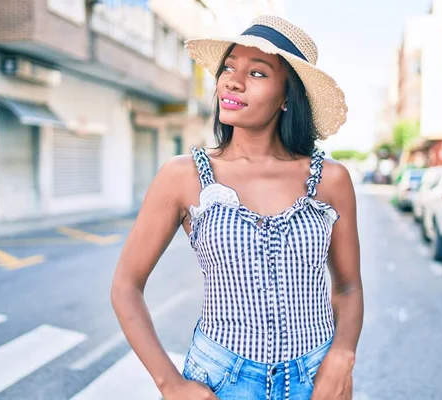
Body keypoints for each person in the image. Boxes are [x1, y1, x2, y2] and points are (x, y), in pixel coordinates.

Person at [111, 15, 363, 400]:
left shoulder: (331, 179)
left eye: (257, 73)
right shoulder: (183, 176)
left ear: (286, 97)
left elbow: (348, 285)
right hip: (219, 380)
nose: (232, 80)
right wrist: (171, 385)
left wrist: (342, 355)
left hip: (317, 379)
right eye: (229, 67)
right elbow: (126, 286)